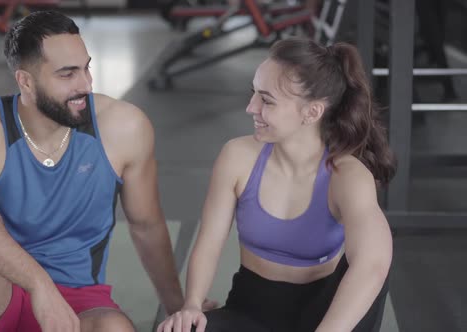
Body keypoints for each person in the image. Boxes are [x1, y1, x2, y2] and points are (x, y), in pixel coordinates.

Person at [0, 10, 194, 332]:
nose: (86, 84)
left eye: (86, 68)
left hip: (81, 301)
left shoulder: (124, 127)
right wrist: (39, 284)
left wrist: (179, 308)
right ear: (26, 80)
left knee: (114, 327)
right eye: (67, 74)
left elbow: (147, 226)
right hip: (1, 290)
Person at [158, 37, 396, 332]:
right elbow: (209, 241)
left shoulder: (346, 174)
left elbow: (373, 265)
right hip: (251, 309)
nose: (251, 107)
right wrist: (192, 304)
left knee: (373, 254)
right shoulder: (237, 156)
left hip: (325, 313)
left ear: (312, 112)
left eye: (266, 100)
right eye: (253, 94)